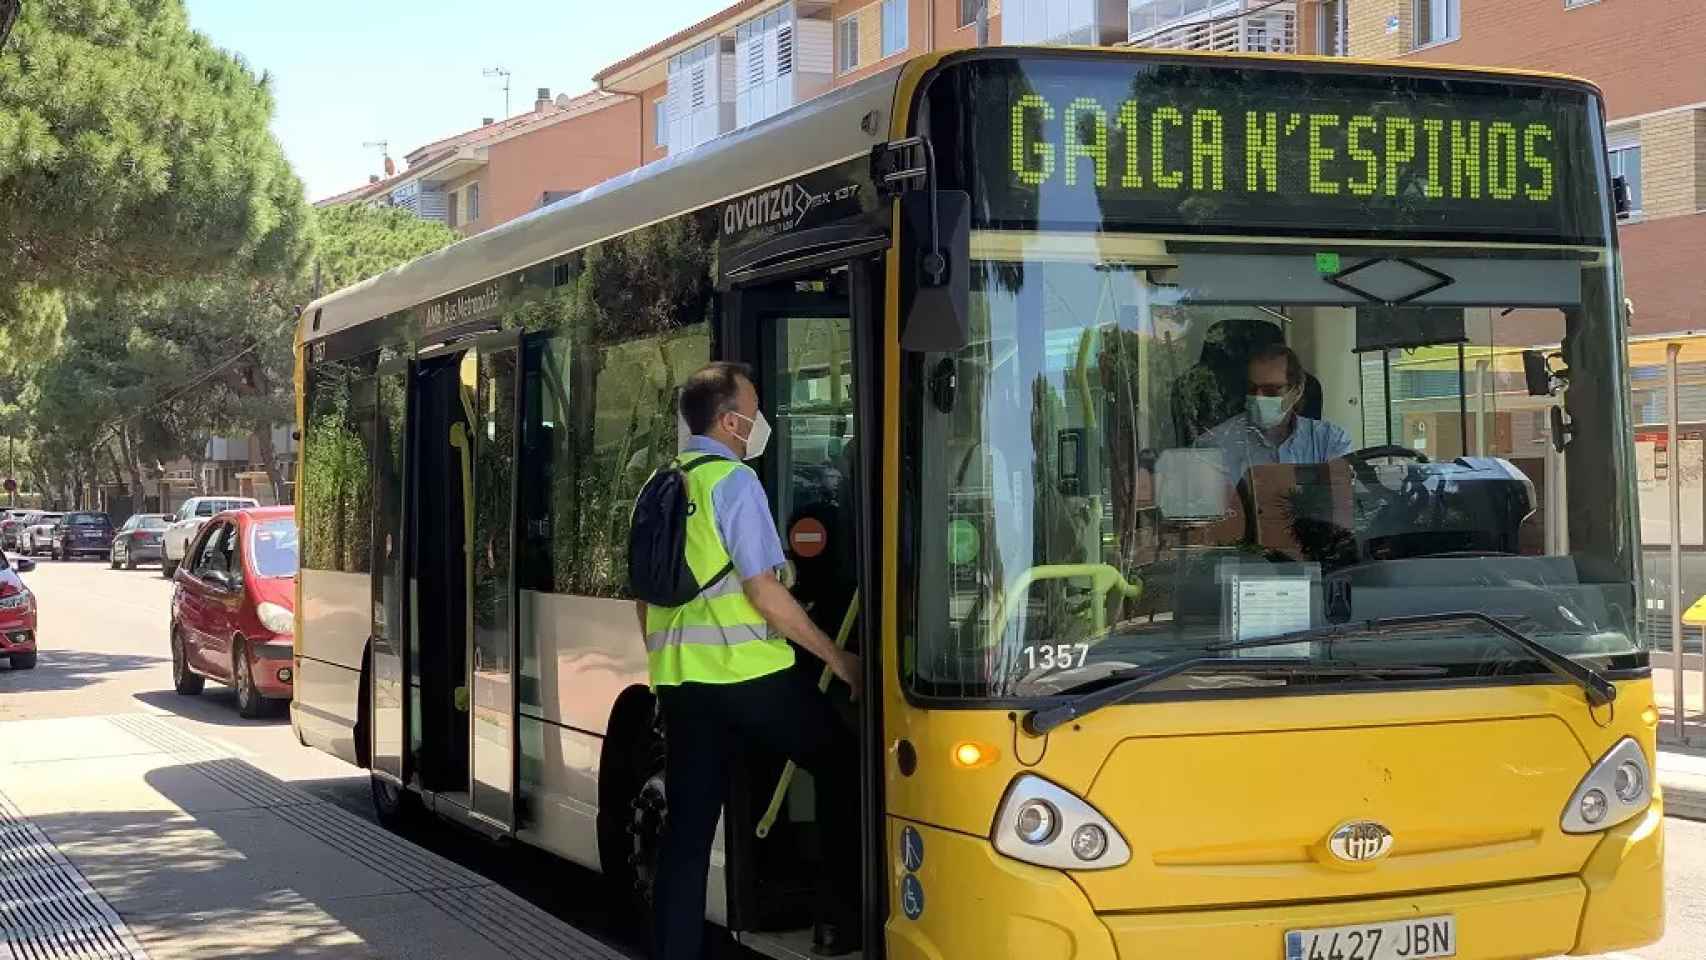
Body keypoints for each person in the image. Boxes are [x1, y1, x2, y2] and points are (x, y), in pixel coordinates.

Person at [636, 361, 863, 960]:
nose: (759, 421)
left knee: (686, 837)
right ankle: (837, 923)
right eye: (754, 410)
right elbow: (763, 591)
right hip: (751, 678)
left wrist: (664, 674)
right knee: (842, 762)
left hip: (682, 687)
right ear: (729, 420)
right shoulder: (734, 483)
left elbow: (647, 596)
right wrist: (837, 658)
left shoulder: (660, 484)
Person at [1195, 344, 1352, 478]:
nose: (1258, 397)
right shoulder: (1214, 446)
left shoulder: (1331, 441)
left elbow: (1342, 505)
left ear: (1296, 391)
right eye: (1252, 388)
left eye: (1271, 390)